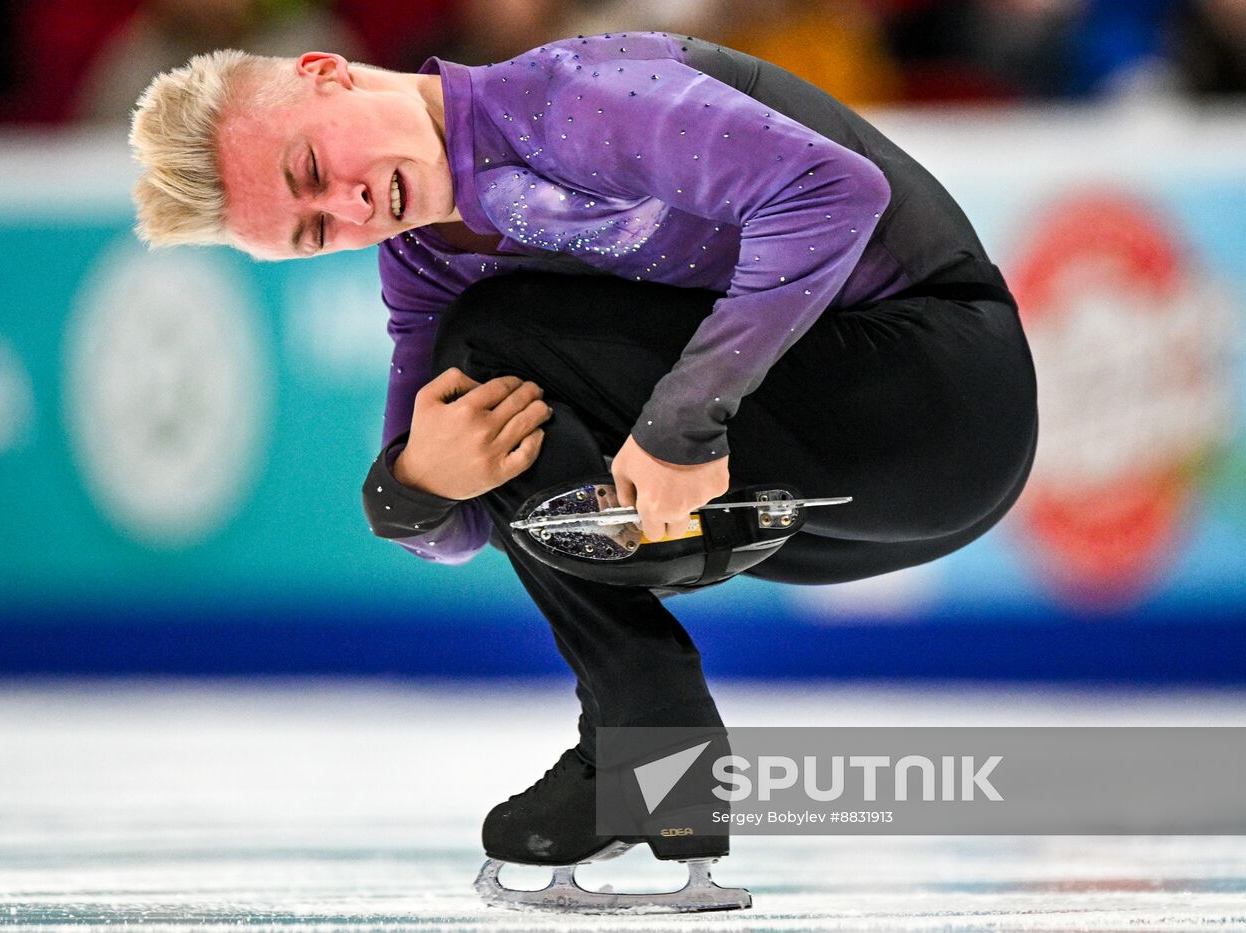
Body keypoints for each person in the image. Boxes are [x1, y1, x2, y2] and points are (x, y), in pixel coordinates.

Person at [128, 31, 1038, 914]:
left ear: (327, 75)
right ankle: (649, 754)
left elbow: (834, 190)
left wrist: (687, 416)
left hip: (947, 393)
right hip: (829, 515)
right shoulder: (421, 261)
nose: (354, 210)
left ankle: (645, 730)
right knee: (472, 389)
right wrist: (414, 484)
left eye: (310, 171)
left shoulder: (567, 98)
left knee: (485, 343)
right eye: (315, 229)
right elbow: (480, 519)